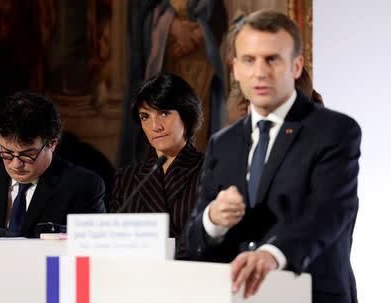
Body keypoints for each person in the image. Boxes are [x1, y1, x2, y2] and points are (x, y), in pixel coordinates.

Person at [184, 9, 360, 303]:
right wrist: (213, 220)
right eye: (250, 60)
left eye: (272, 59)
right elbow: (195, 241)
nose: (260, 72)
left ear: (296, 65)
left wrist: (271, 255)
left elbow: (328, 213)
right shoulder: (222, 143)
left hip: (312, 294)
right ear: (235, 68)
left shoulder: (335, 130)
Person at [0, 91, 106, 237]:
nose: (16, 164)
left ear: (52, 144)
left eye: (28, 155)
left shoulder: (83, 187)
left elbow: (87, 256)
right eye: (7, 153)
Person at [117, 0, 227, 168]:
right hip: (165, 63)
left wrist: (198, 35)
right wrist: (170, 26)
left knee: (197, 129)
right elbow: (140, 16)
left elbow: (220, 16)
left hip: (202, 65)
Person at [111, 73, 204, 259]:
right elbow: (115, 243)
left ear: (186, 116)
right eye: (145, 117)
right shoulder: (127, 179)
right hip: (140, 279)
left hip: (195, 277)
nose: (155, 126)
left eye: (164, 113)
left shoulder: (211, 170)